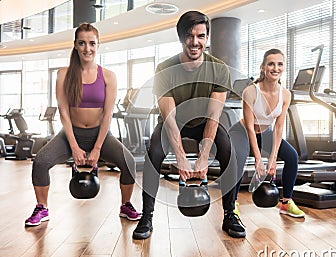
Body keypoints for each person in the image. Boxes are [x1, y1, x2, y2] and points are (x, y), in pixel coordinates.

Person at [132, 11, 245, 239]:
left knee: (227, 150)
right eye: (189, 36)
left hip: (204, 123)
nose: (195, 42)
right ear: (181, 37)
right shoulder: (165, 68)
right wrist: (181, 157)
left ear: (207, 38)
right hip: (173, 123)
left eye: (201, 36)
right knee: (153, 153)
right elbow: (170, 118)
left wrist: (203, 157)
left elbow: (214, 116)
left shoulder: (219, 68)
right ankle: (147, 216)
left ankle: (230, 213)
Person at [25, 23, 141, 227]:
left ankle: (126, 205)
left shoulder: (108, 76)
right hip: (71, 134)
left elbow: (107, 114)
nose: (87, 48)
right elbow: (63, 112)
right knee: (41, 161)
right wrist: (74, 146)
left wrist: (97, 148)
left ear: (98, 45)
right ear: (76, 46)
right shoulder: (63, 74)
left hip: (100, 135)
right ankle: (41, 208)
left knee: (128, 162)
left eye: (92, 43)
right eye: (82, 43)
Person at [229, 48, 305, 218]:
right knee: (239, 159)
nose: (275, 68)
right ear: (263, 67)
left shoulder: (285, 94)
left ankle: (286, 202)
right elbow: (249, 127)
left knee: (292, 156)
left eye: (279, 64)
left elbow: (278, 128)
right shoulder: (250, 91)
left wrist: (272, 160)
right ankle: (231, 204)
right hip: (242, 131)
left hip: (266, 133)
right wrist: (258, 159)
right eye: (271, 64)